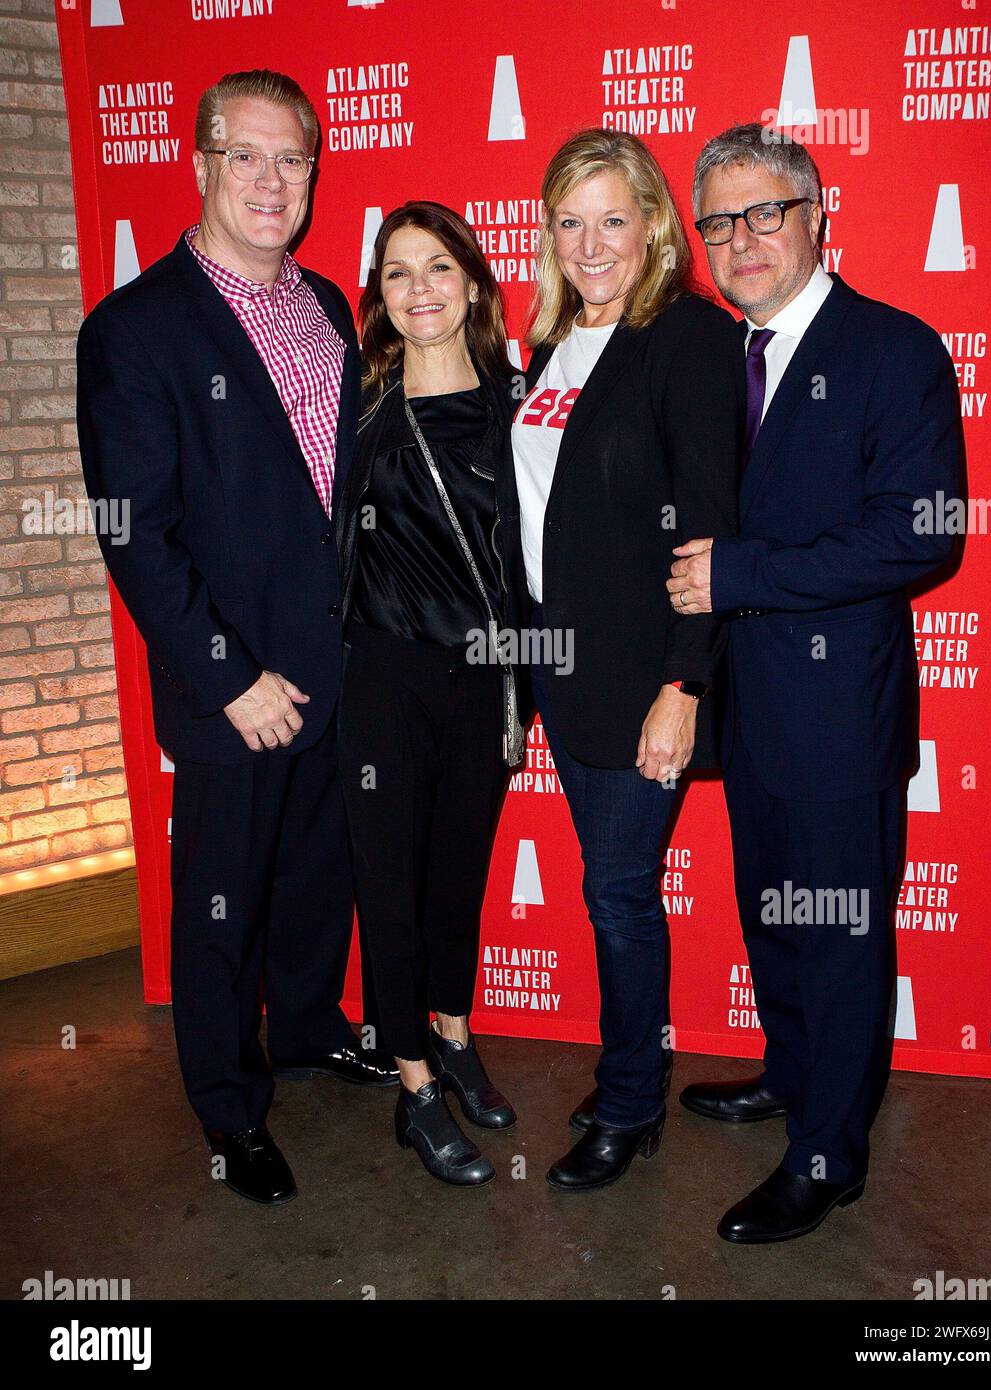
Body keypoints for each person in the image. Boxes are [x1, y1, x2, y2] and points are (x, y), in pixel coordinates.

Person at [76, 69, 397, 1208]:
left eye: (292, 159)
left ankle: (308, 1028)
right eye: (245, 155)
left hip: (338, 665)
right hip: (236, 686)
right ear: (201, 162)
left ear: (314, 173)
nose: (271, 181)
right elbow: (138, 535)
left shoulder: (324, 305)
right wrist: (225, 678)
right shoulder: (136, 327)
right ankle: (227, 1105)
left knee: (318, 879)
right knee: (221, 899)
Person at [668, 122, 964, 1242]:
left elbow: (919, 536)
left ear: (814, 214)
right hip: (744, 708)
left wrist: (742, 572)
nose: (739, 239)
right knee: (771, 915)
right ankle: (788, 1078)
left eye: (763, 213)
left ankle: (829, 1153)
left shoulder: (893, 349)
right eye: (718, 222)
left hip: (839, 717)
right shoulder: (713, 355)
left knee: (838, 933)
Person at [505, 128, 744, 1192]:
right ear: (548, 234)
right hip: (565, 671)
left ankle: (631, 1103)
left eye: (613, 216)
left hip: (642, 676)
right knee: (611, 888)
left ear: (652, 224)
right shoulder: (549, 346)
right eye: (569, 220)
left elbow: (706, 525)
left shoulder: (685, 336)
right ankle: (630, 1071)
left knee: (615, 892)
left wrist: (680, 688)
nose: (590, 241)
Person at [335, 201, 532, 1187]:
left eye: (438, 269)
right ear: (379, 293)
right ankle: (413, 1083)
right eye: (397, 272)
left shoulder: (518, 397)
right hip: (381, 677)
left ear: (472, 285)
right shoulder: (356, 399)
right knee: (393, 885)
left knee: (459, 870)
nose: (418, 289)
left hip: (481, 681)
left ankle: (452, 1029)